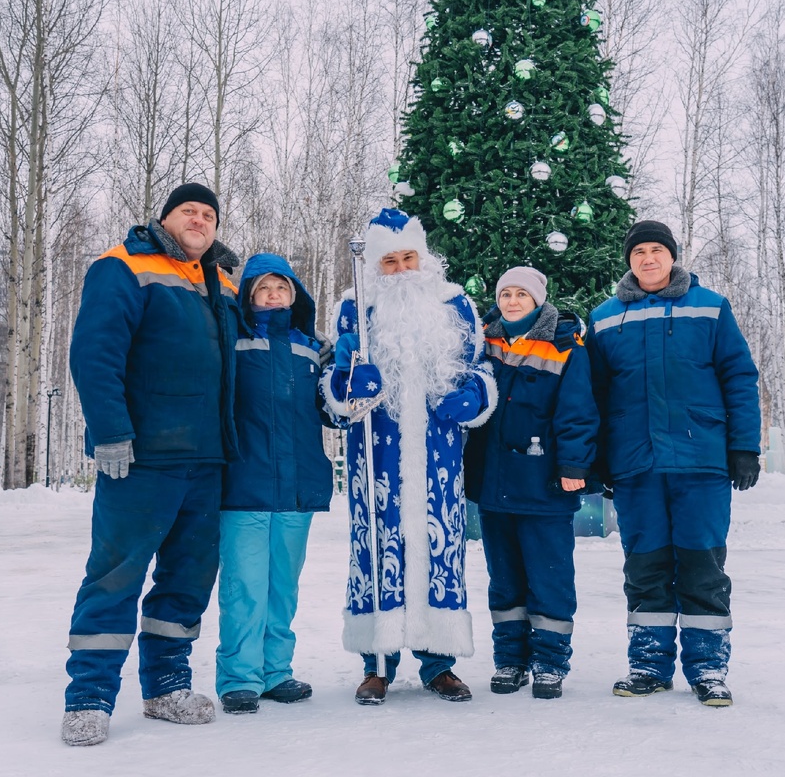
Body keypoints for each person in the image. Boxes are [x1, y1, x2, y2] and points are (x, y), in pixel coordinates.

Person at [61, 183, 239, 746]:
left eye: (209, 214)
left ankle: (166, 686)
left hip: (207, 460)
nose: (200, 219)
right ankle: (89, 695)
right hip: (142, 458)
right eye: (189, 210)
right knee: (116, 574)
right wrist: (110, 432)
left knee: (188, 579)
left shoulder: (219, 280)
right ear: (165, 218)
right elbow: (95, 352)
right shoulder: (122, 266)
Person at [321, 208, 496, 705]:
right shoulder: (356, 306)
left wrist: (476, 398)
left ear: (424, 259)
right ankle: (377, 663)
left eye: (408, 258)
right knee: (379, 547)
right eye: (390, 261)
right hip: (377, 452)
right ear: (376, 266)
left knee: (439, 547)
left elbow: (479, 366)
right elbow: (336, 383)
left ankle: (439, 662)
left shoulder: (455, 303)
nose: (400, 269)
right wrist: (349, 384)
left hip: (439, 454)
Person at [586, 219, 761, 708]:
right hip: (635, 466)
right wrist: (598, 459)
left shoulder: (710, 307)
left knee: (703, 566)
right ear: (628, 260)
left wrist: (744, 447)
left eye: (656, 250)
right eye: (638, 251)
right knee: (645, 568)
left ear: (672, 256)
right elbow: (594, 396)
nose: (647, 258)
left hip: (701, 462)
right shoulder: (604, 318)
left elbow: (739, 376)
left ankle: (709, 670)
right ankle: (648, 665)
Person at [463, 266, 599, 700]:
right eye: (506, 294)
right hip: (494, 485)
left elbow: (578, 414)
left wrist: (575, 467)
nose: (513, 301)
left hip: (544, 486)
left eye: (522, 294)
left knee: (550, 576)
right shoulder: (482, 343)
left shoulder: (565, 346)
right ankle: (510, 660)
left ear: (538, 300)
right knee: (503, 578)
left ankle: (549, 662)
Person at [215, 253, 334, 715]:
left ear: (295, 293)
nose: (273, 295)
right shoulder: (233, 340)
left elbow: (333, 410)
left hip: (297, 486)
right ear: (247, 294)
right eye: (262, 288)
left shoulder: (312, 348)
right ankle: (239, 678)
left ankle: (276, 672)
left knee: (283, 586)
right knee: (245, 586)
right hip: (244, 482)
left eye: (281, 287)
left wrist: (351, 384)